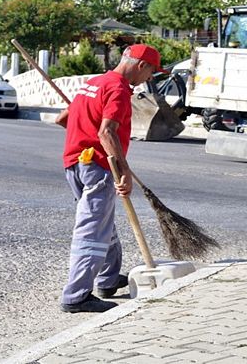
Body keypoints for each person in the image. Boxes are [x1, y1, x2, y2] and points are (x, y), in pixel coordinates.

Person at [55, 44, 166, 313]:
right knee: (92, 230)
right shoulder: (117, 89)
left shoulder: (94, 83)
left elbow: (63, 119)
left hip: (75, 164)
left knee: (102, 221)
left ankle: (107, 279)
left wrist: (88, 123)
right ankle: (76, 296)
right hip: (97, 167)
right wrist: (123, 169)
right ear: (141, 65)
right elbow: (107, 133)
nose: (150, 78)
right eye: (151, 71)